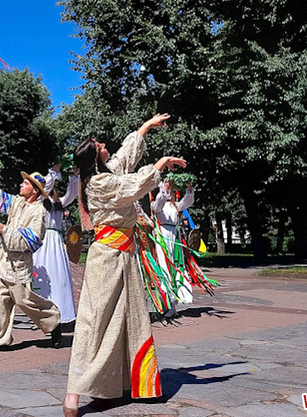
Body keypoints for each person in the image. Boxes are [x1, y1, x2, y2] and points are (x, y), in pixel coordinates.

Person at [63, 114, 186, 417]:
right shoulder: (99, 183)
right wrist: (160, 164)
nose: (105, 144)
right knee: (96, 320)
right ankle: (73, 394)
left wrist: (146, 127)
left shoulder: (105, 174)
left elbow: (125, 157)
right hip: (107, 258)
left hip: (124, 255)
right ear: (95, 159)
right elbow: (133, 185)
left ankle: (117, 385)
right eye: (99, 145)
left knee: (128, 319)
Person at [0, 170, 62, 352]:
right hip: (3, 261)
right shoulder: (17, 202)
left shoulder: (39, 211)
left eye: (25, 183)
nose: (21, 185)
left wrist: (5, 230)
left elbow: (33, 239)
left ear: (35, 190)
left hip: (19, 264)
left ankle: (53, 320)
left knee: (24, 300)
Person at [32, 163, 80, 324]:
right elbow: (44, 188)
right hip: (44, 240)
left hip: (56, 242)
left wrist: (74, 177)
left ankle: (63, 311)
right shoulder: (40, 202)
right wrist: (53, 173)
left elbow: (72, 194)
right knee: (44, 275)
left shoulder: (59, 205)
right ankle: (43, 313)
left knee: (60, 276)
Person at [151, 179, 195, 309]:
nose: (169, 193)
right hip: (163, 235)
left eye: (170, 190)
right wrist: (164, 190)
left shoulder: (175, 205)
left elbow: (187, 202)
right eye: (167, 190)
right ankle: (167, 299)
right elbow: (158, 204)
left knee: (176, 264)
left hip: (175, 236)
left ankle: (175, 298)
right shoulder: (157, 204)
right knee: (164, 264)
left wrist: (189, 189)